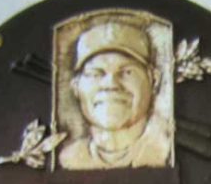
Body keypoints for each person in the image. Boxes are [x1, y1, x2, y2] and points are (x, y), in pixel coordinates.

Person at [58, 18, 174, 170]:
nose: (111, 84)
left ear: (154, 80)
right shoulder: (68, 159)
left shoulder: (165, 150)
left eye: (127, 72)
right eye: (96, 73)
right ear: (75, 87)